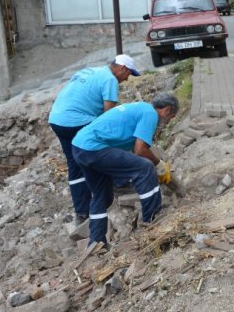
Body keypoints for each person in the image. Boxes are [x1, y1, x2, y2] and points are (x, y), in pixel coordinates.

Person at [71, 93, 179, 248]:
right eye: (171, 117)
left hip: (80, 146)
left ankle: (96, 243)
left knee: (102, 196)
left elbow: (132, 148)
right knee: (145, 168)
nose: (168, 123)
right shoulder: (150, 113)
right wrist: (159, 163)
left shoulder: (140, 108)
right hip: (93, 147)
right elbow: (140, 150)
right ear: (167, 109)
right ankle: (152, 221)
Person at [48, 54, 140, 225]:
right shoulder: (110, 80)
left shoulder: (91, 71)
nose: (127, 79)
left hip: (57, 120)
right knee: (110, 141)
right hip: (76, 121)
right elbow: (108, 118)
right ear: (122, 68)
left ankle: (82, 213)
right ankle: (120, 182)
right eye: (128, 74)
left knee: (74, 165)